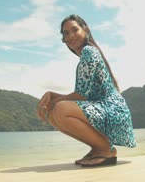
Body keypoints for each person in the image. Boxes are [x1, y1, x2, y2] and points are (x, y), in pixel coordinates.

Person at [37, 14, 136, 167]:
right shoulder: (85, 56)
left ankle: (106, 150)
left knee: (60, 109)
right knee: (52, 114)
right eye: (66, 33)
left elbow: (81, 96)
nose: (70, 36)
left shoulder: (89, 52)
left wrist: (54, 101)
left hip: (112, 111)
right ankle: (97, 148)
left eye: (74, 30)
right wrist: (52, 95)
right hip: (101, 109)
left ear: (86, 30)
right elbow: (83, 95)